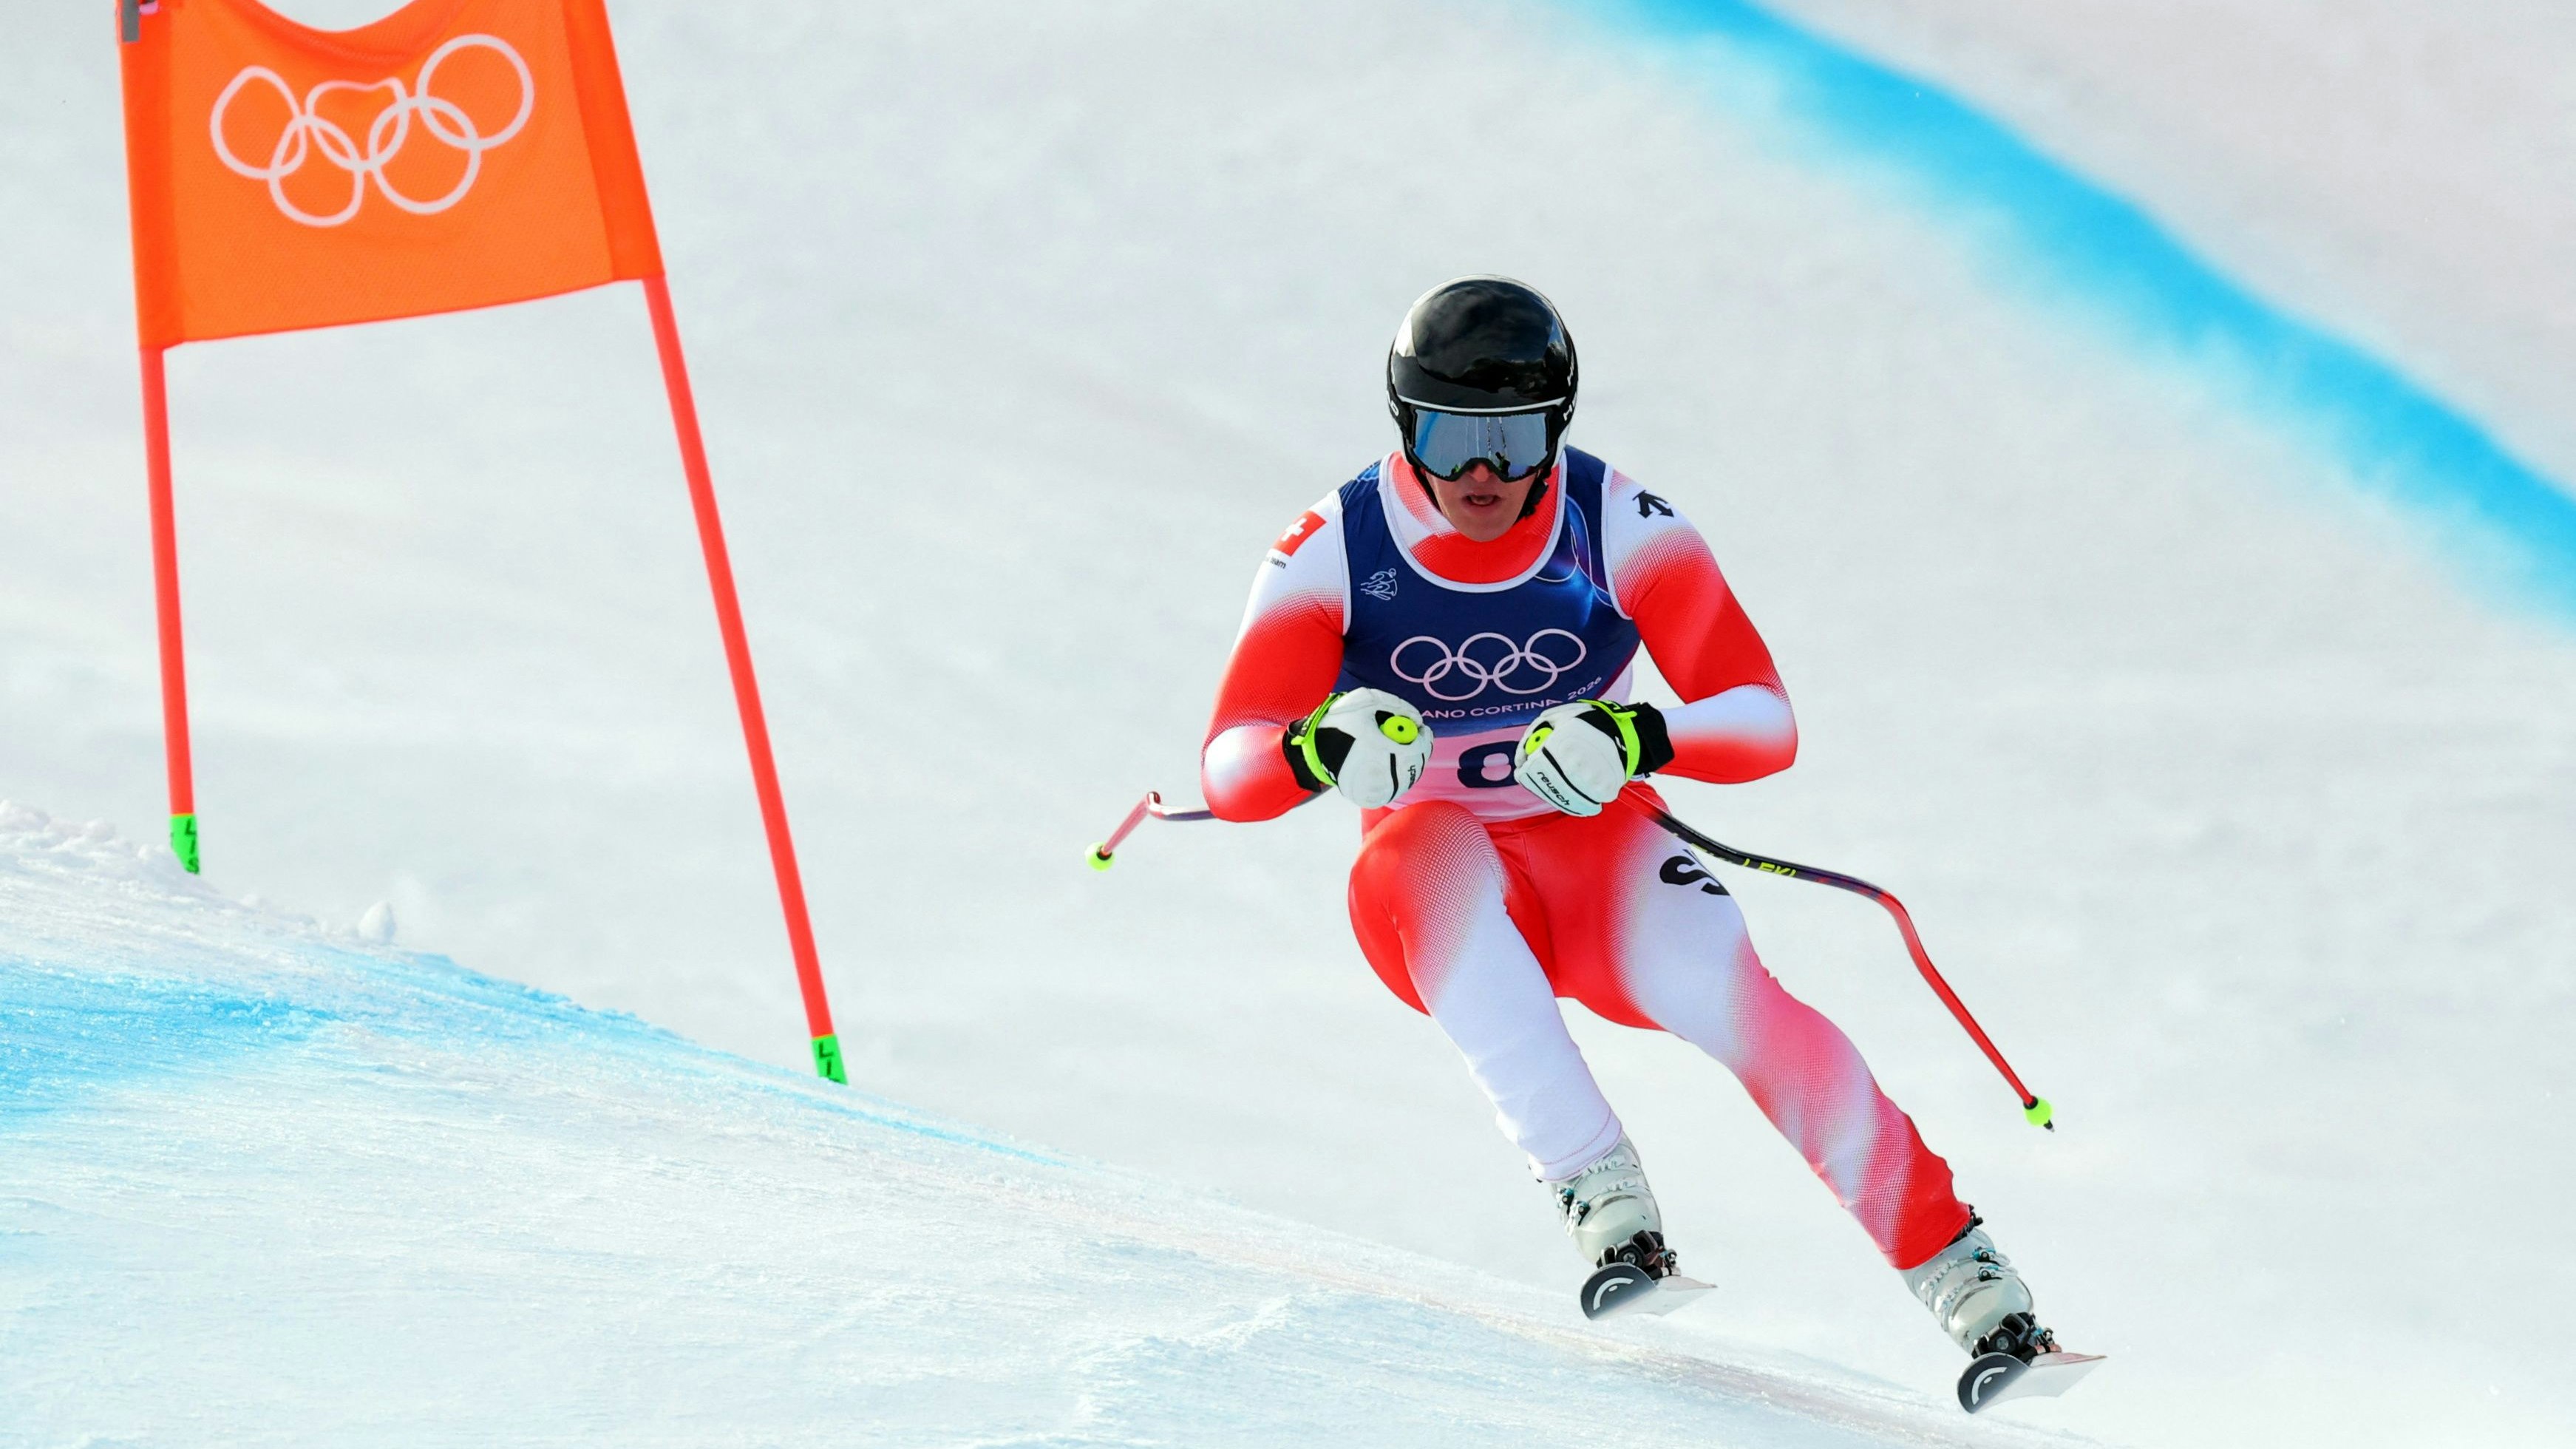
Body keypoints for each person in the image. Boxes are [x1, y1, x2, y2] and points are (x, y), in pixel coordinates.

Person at [1198, 276, 2058, 1364]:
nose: (1480, 473)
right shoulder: (1332, 546)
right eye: (1449, 435)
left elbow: (1762, 717)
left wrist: (1638, 737)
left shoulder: (1617, 524)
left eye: (1511, 441)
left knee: (1729, 996)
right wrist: (1315, 751)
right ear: (1401, 424)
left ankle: (1965, 1277)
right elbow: (1230, 764)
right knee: (1423, 858)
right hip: (1432, 867)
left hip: (1592, 852)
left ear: (1555, 427)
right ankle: (1604, 1203)